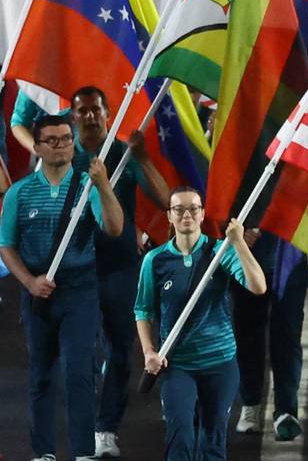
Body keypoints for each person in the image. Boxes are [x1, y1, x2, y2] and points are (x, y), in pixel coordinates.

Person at [0, 114, 124, 461]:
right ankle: (43, 452)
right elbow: (6, 244)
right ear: (37, 146)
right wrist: (28, 281)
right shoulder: (20, 193)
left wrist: (103, 185)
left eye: (66, 138)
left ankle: (83, 452)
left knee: (79, 369)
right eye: (51, 140)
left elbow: (114, 228)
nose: (60, 145)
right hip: (37, 292)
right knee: (41, 373)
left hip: (79, 290)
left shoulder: (87, 185)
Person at [68, 86, 170, 458]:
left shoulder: (121, 155)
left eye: (97, 110)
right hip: (73, 270)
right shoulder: (63, 154)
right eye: (83, 111)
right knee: (78, 353)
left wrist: (141, 157)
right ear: (73, 116)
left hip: (119, 268)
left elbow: (165, 199)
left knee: (120, 349)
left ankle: (105, 429)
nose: (91, 116)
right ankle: (82, 425)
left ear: (108, 115)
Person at [134, 187, 266, 460]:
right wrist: (149, 352)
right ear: (169, 216)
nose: (187, 215)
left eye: (193, 208)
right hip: (177, 364)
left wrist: (238, 242)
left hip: (220, 362)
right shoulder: (155, 260)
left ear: (203, 213)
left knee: (213, 440)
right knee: (180, 435)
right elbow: (143, 310)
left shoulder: (220, 253)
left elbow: (258, 286)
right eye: (179, 209)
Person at [232, 231, 308, 441]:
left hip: (289, 248)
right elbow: (219, 200)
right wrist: (234, 230)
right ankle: (250, 403)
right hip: (246, 250)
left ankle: (286, 409)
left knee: (288, 333)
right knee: (247, 333)